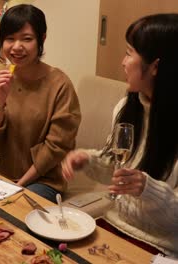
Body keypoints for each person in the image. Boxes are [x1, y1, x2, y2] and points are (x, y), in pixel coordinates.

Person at [62, 14, 178, 257]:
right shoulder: (128, 107)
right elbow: (118, 167)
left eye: (129, 53)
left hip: (160, 247)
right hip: (115, 225)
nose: (122, 62)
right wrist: (88, 160)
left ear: (155, 66)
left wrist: (148, 188)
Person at [0, 4, 81, 203]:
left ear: (42, 39)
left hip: (42, 180)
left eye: (27, 39)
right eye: (9, 39)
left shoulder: (59, 84)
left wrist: (19, 185)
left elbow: (57, 147)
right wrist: (0, 101)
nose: (16, 47)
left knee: (12, 212)